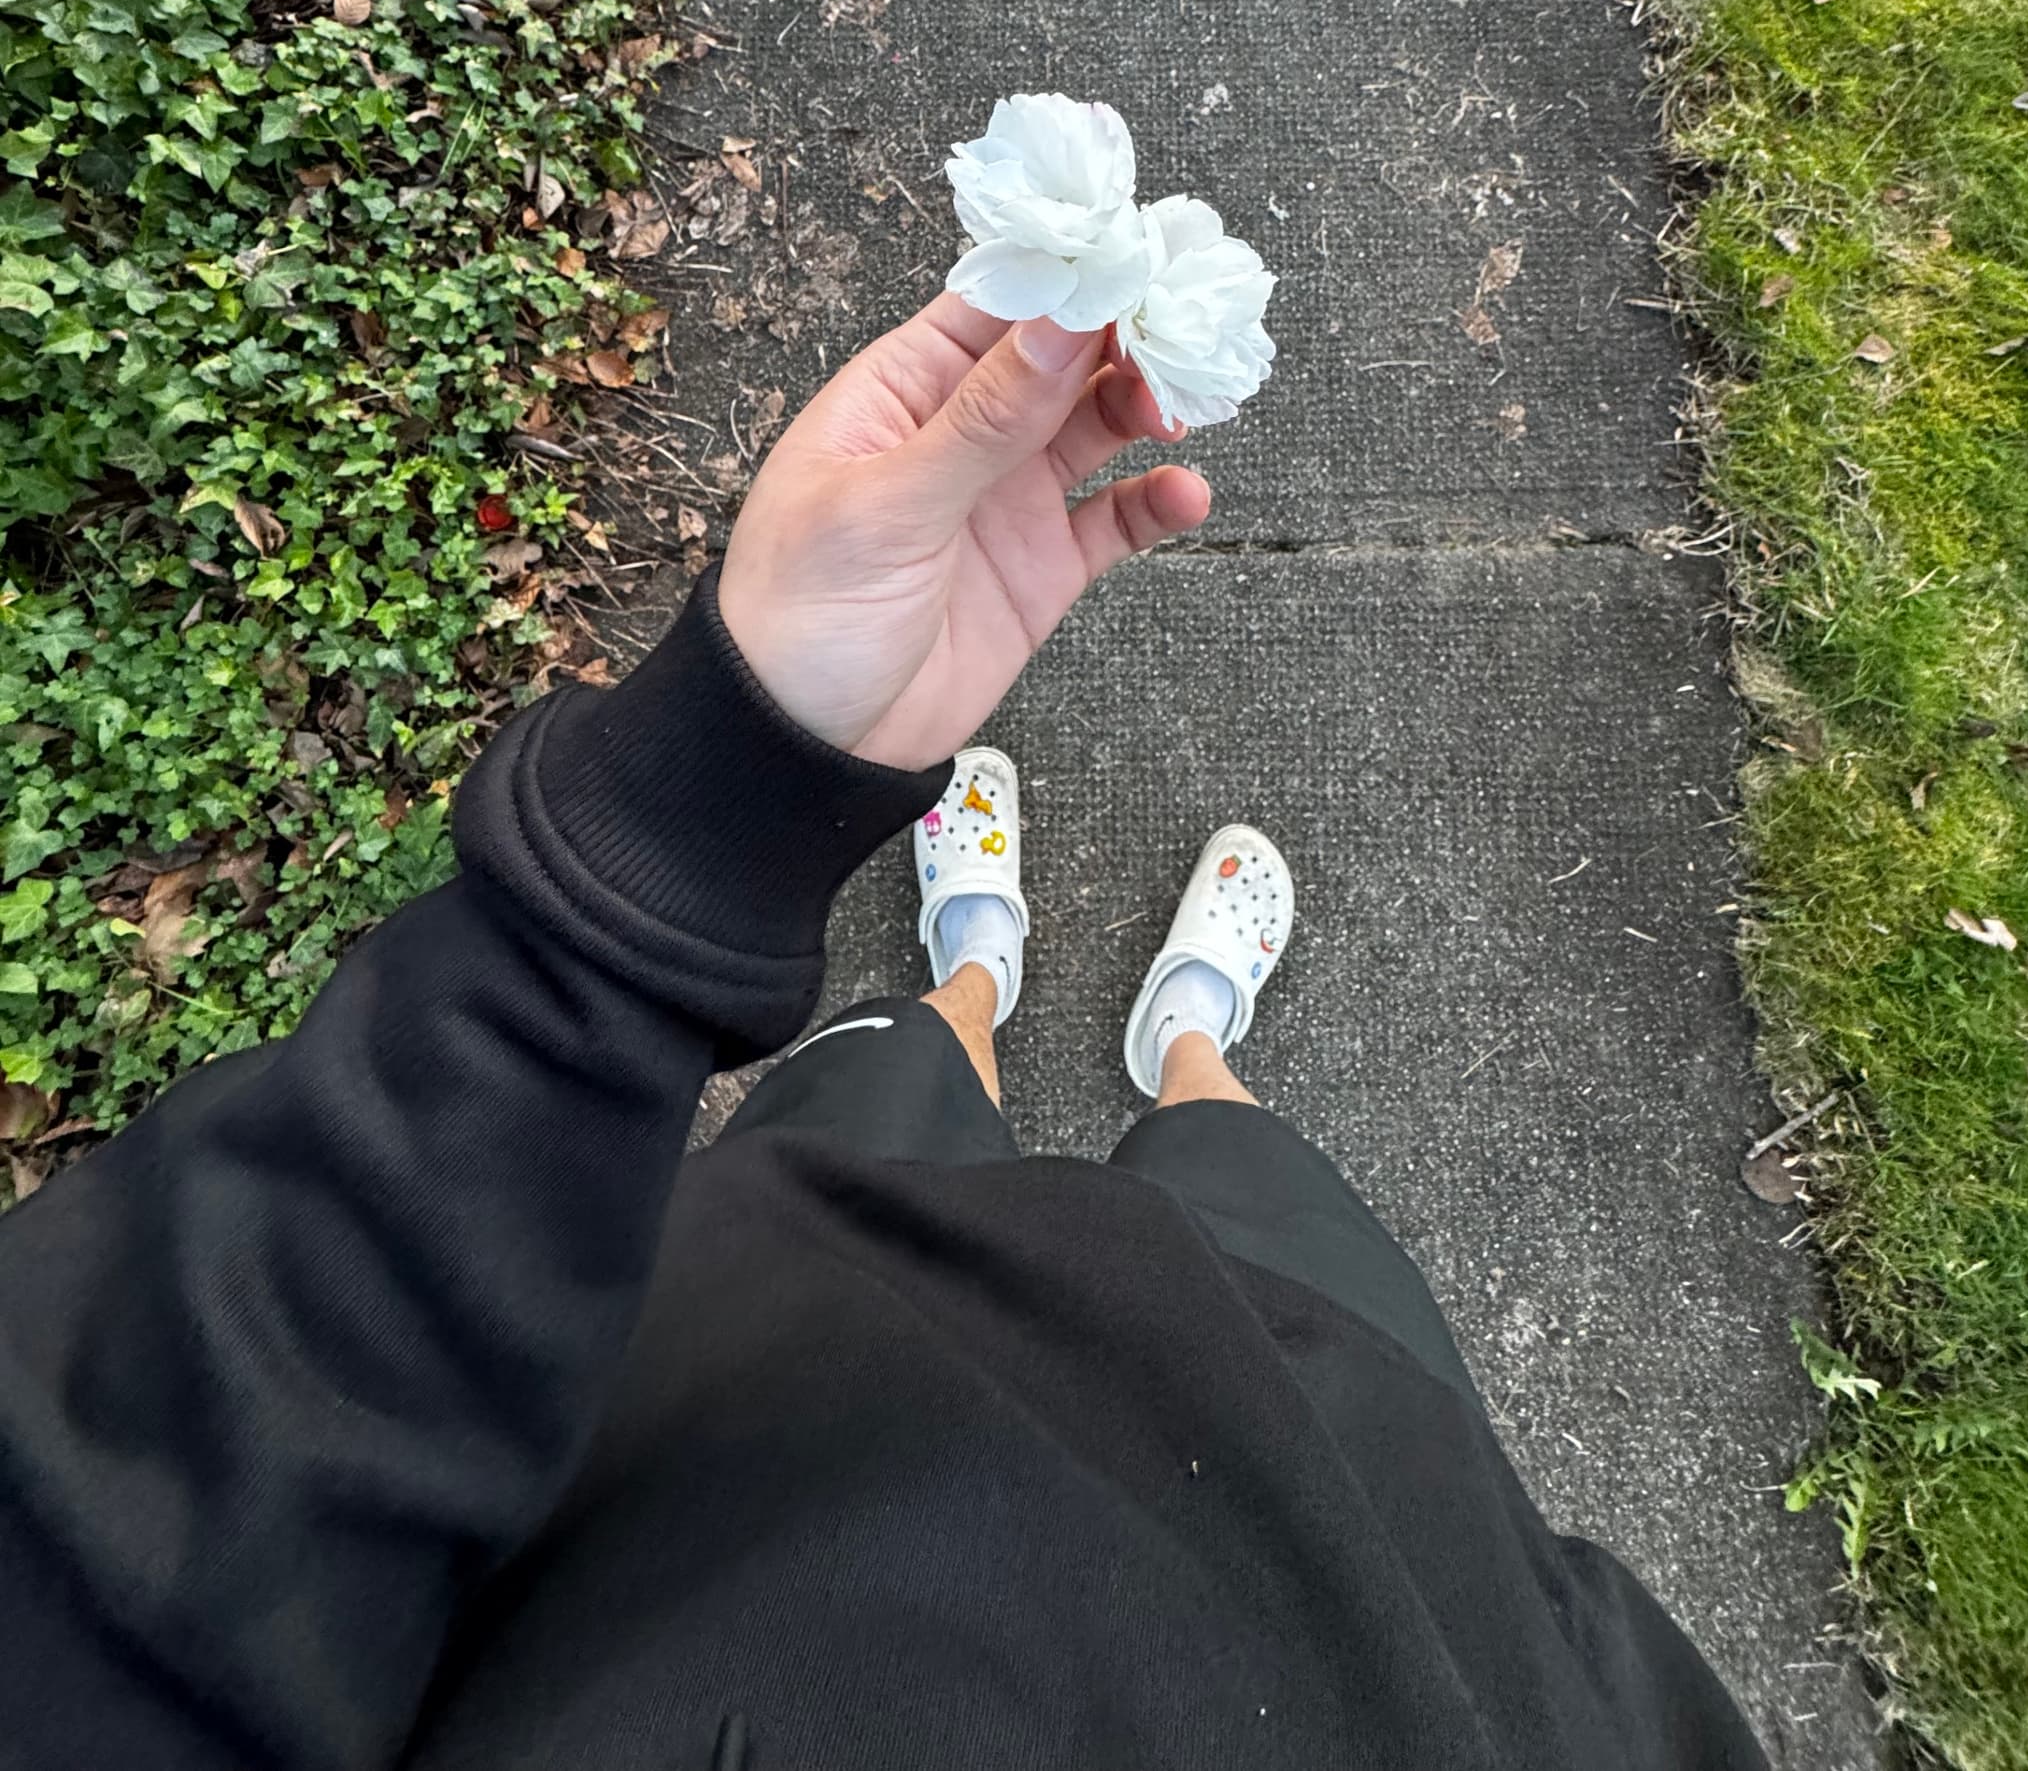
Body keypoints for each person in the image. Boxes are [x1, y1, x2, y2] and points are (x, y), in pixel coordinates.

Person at [0, 295, 1768, 1770]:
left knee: (891, 1089)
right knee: (1247, 1179)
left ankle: (972, 983)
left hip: (785, 1362)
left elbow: (157, 1522)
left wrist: (714, 793)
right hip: (1360, 1483)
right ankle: (1188, 1044)